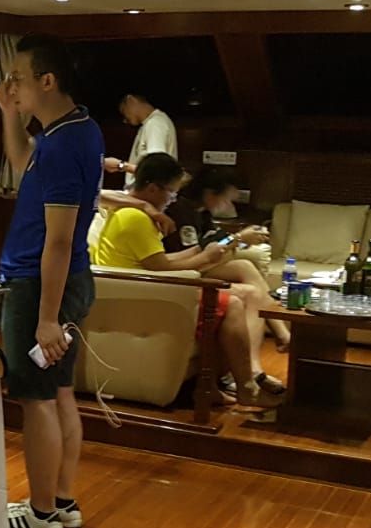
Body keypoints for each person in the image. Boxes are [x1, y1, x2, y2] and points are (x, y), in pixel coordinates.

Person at [0, 35, 102, 528]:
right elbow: (21, 165)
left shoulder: (62, 147)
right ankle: (61, 501)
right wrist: (7, 112)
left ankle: (38, 515)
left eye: (17, 77)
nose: (11, 84)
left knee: (35, 399)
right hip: (66, 282)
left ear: (47, 81)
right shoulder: (77, 129)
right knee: (60, 391)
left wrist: (46, 317)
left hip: (41, 286)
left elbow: (57, 242)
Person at [92, 153, 284, 409]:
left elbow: (160, 260)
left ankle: (226, 382)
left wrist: (201, 252)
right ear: (152, 188)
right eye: (170, 193)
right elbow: (162, 267)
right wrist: (207, 254)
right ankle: (246, 385)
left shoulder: (134, 212)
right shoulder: (136, 218)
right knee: (235, 303)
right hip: (146, 293)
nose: (172, 199)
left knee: (239, 287)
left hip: (148, 285)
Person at [165, 167, 290, 349]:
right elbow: (197, 254)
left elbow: (217, 242)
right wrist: (238, 239)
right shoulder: (181, 211)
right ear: (209, 193)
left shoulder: (203, 213)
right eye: (226, 199)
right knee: (249, 289)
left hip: (198, 266)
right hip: (183, 272)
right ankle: (278, 340)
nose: (227, 205)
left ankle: (283, 334)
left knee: (244, 265)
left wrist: (237, 240)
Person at [102, 90, 178, 188]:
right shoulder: (151, 123)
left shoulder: (155, 124)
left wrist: (120, 165)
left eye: (123, 110)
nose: (124, 120)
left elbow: (156, 169)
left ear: (131, 100)